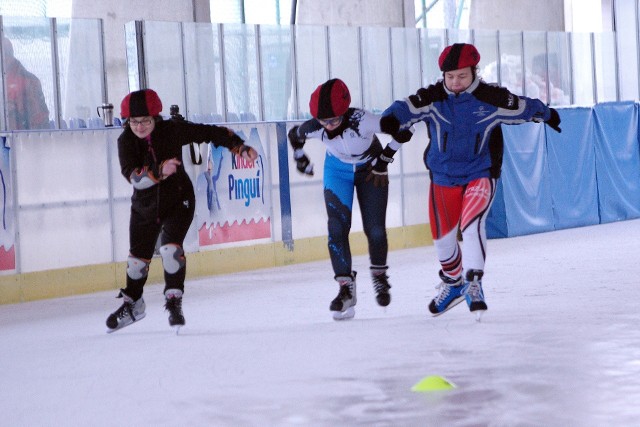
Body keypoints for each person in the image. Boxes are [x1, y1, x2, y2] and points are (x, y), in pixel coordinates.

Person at [379, 43, 562, 320]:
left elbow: (523, 106)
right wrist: (390, 120)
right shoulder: (432, 97)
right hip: (443, 176)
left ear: (474, 72)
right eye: (450, 76)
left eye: (462, 76)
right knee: (443, 241)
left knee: (472, 223)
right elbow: (404, 108)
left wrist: (548, 114)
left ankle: (473, 282)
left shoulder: (491, 98)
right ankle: (453, 285)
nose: (455, 82)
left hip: (480, 172)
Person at [106, 88, 258, 333]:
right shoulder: (125, 141)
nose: (140, 127)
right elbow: (134, 177)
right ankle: (134, 304)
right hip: (144, 206)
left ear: (156, 118)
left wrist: (239, 147)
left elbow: (210, 132)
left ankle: (174, 301)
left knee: (170, 249)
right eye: (134, 122)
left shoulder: (172, 130)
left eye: (145, 121)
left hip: (179, 200)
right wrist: (158, 171)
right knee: (136, 262)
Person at [288, 78, 404, 320]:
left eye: (335, 120)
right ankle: (345, 289)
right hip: (337, 169)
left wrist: (385, 159)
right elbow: (294, 135)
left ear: (345, 112)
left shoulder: (363, 120)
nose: (329, 126)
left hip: (370, 168)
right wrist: (300, 158)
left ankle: (380, 277)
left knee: (375, 230)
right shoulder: (314, 126)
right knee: (336, 227)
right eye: (324, 121)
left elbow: (404, 129)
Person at [2, 36, 50, 130]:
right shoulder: (7, 80)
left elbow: (39, 119)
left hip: (22, 140)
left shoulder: (27, 82)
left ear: (7, 57)